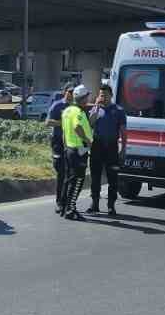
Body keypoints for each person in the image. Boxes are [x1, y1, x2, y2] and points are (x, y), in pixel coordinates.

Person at [87, 85, 128, 216]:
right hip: (97, 146)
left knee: (112, 178)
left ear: (111, 95)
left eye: (104, 95)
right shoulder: (96, 108)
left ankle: (111, 206)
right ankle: (94, 204)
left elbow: (123, 131)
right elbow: (90, 124)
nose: (102, 97)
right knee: (95, 177)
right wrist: (97, 107)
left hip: (111, 147)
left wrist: (123, 149)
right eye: (100, 95)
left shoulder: (119, 110)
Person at [58, 85, 94, 220]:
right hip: (79, 150)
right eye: (87, 97)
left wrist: (66, 146)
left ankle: (63, 205)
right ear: (83, 98)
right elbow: (77, 127)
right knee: (77, 181)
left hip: (69, 149)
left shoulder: (67, 111)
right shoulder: (78, 112)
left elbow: (64, 132)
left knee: (69, 179)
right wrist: (87, 140)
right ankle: (70, 210)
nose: (88, 99)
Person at [46, 85, 72, 213]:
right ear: (64, 92)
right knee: (61, 172)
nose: (71, 94)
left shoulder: (75, 107)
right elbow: (48, 122)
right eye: (69, 92)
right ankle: (59, 201)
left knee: (70, 173)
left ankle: (67, 201)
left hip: (72, 143)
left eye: (73, 92)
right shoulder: (57, 105)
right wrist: (63, 123)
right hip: (58, 142)